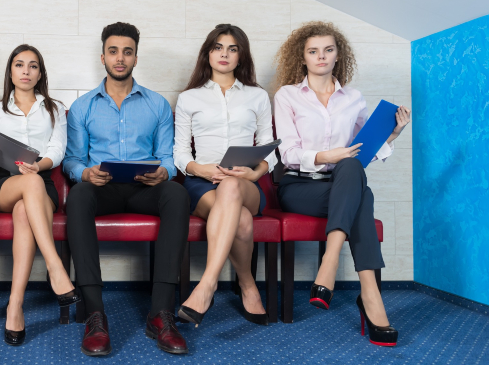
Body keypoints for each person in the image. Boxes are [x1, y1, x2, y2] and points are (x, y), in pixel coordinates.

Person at [273, 21, 410, 347]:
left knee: (351, 169)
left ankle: (331, 262)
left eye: (328, 50)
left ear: (338, 55)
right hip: (299, 186)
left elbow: (362, 151)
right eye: (313, 51)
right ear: (302, 57)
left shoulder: (354, 98)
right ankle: (370, 295)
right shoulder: (287, 95)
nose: (321, 56)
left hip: (342, 181)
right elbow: (288, 154)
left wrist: (391, 135)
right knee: (362, 193)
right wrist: (326, 154)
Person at [63, 22, 191, 356]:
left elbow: (167, 157)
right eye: (113, 51)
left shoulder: (157, 105)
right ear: (102, 56)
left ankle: (160, 314)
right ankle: (94, 312)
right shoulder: (83, 107)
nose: (120, 58)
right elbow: (72, 160)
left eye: (128, 51)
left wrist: (164, 172)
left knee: (178, 193)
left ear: (136, 57)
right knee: (77, 196)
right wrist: (85, 173)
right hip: (102, 189)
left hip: (143, 188)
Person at [0, 44, 79, 346]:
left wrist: (36, 165)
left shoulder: (54, 107)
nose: (26, 71)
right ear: (11, 71)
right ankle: (55, 267)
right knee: (29, 184)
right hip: (4, 184)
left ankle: (14, 306)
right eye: (19, 65)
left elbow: (56, 151)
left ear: (40, 72)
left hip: (42, 182)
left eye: (32, 66)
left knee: (25, 208)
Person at [173, 24, 273, 327]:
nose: (224, 54)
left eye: (232, 48)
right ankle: (247, 284)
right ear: (208, 53)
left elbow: (272, 152)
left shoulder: (258, 96)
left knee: (233, 185)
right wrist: (199, 168)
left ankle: (207, 284)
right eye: (218, 47)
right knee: (241, 220)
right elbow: (179, 154)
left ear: (241, 56)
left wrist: (253, 175)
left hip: (248, 184)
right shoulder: (189, 98)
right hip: (201, 183)